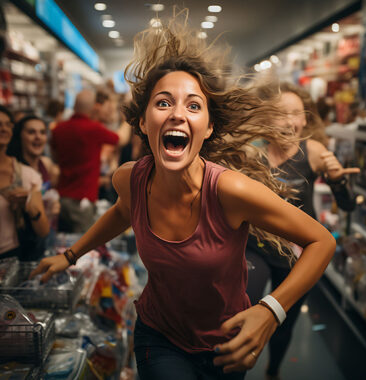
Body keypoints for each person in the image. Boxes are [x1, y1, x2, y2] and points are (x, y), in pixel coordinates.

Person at [30, 14, 336, 380]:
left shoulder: (229, 191)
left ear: (207, 128)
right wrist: (70, 255)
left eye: (193, 106)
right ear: (143, 122)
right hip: (158, 336)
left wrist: (271, 310)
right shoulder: (130, 179)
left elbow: (322, 241)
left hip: (225, 345)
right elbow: (121, 212)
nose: (177, 113)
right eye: (163, 103)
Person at [245, 82, 360, 380]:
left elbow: (347, 206)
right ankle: (232, 369)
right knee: (241, 306)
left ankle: (272, 372)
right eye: (280, 114)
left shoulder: (314, 151)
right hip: (255, 249)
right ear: (268, 119)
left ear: (305, 120)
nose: (288, 121)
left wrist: (336, 180)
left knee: (284, 323)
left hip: (297, 257)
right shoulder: (252, 154)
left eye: (295, 114)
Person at [51, 89, 120, 233]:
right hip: (83, 199)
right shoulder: (94, 129)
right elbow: (118, 139)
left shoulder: (58, 129)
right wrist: (128, 120)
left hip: (62, 196)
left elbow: (55, 157)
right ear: (94, 107)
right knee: (83, 246)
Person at [0, 105, 49, 260]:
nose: (3, 129)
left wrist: (30, 204)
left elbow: (43, 230)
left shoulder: (28, 176)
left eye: (8, 124)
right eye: (31, 132)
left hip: (9, 259)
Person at [7, 115, 61, 237]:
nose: (38, 137)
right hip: (24, 238)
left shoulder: (46, 164)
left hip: (47, 231)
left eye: (42, 132)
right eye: (31, 132)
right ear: (19, 136)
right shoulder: (15, 171)